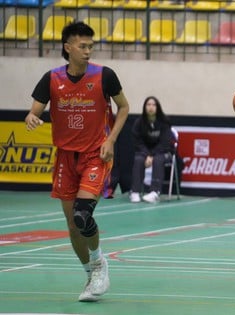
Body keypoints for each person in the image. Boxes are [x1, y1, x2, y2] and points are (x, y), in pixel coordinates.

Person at [25, 21, 130, 302]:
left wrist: (111, 140)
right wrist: (32, 117)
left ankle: (99, 264)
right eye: (82, 46)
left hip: (96, 154)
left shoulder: (104, 76)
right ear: (67, 47)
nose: (87, 51)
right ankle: (89, 272)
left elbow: (124, 107)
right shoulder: (51, 79)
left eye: (90, 46)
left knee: (83, 216)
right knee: (72, 224)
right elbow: (34, 110)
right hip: (65, 158)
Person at [129, 96, 175, 203]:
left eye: (153, 105)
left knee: (158, 160)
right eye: (148, 105)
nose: (151, 107)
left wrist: (152, 155)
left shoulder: (165, 122)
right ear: (145, 107)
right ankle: (135, 192)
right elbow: (138, 142)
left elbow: (165, 143)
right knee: (138, 159)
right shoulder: (139, 123)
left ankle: (155, 192)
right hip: (145, 153)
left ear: (157, 107)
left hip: (164, 152)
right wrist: (147, 154)